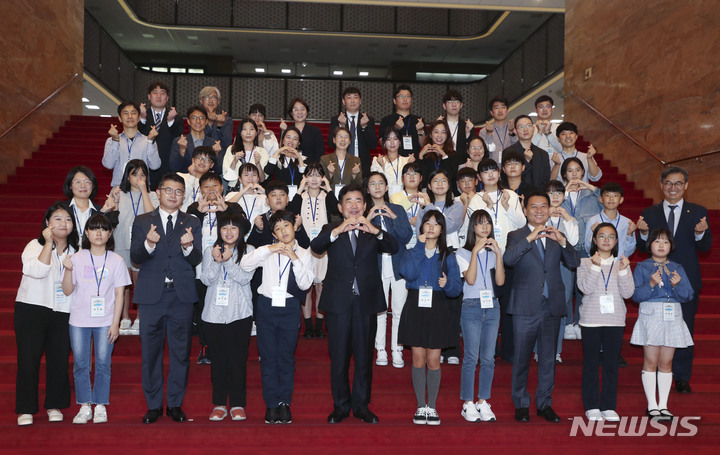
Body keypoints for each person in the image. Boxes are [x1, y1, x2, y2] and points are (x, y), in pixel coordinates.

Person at [310, 183, 399, 424]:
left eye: (358, 200)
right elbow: (316, 247)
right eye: (348, 201)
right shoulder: (331, 228)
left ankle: (361, 406)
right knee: (338, 358)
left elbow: (394, 246)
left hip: (365, 303)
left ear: (365, 205)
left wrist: (375, 230)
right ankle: (340, 406)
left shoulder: (372, 230)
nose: (353, 205)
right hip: (339, 304)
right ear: (340, 207)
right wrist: (337, 230)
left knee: (363, 359)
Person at [130, 173, 202, 424]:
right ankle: (153, 405)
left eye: (178, 191)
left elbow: (196, 259)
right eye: (168, 190)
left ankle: (174, 403)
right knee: (151, 352)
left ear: (184, 196)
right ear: (157, 193)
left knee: (180, 353)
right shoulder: (142, 221)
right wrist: (149, 244)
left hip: (180, 297)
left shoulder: (192, 221)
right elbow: (135, 257)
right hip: (151, 297)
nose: (173, 195)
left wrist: (188, 247)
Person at [503, 192, 580, 423]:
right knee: (522, 357)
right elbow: (508, 260)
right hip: (525, 306)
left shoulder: (557, 235)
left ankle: (545, 403)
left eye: (543, 207)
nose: (539, 211)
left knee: (548, 358)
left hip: (551, 306)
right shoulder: (516, 235)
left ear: (549, 210)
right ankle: (521, 403)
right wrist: (530, 239)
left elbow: (574, 262)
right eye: (533, 207)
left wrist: (563, 241)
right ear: (525, 210)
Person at [636, 167, 711, 393]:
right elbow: (642, 248)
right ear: (661, 185)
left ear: (686, 186)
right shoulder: (649, 213)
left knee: (684, 328)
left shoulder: (698, 212)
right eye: (668, 183)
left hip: (684, 280)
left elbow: (705, 247)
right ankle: (656, 370)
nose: (673, 188)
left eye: (678, 183)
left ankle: (681, 376)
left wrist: (700, 233)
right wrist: (640, 234)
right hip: (656, 282)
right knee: (656, 328)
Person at [241, 210, 314, 424]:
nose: (283, 231)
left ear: (294, 227)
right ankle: (271, 404)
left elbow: (305, 284)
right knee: (268, 359)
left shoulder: (304, 253)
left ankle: (285, 402)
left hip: (290, 308)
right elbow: (245, 265)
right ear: (273, 234)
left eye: (286, 226)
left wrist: (294, 258)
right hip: (266, 307)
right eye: (278, 228)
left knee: (286, 358)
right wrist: (269, 249)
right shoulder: (267, 251)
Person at [62, 214, 130, 424]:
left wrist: (115, 323)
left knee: (103, 363)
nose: (99, 233)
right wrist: (67, 269)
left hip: (105, 321)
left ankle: (100, 404)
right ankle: (84, 405)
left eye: (103, 229)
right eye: (94, 228)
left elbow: (120, 294)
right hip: (79, 320)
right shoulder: (76, 258)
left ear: (110, 233)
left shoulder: (116, 260)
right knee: (81, 364)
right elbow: (66, 291)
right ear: (86, 233)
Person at [14, 203, 79, 426]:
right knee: (28, 360)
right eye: (58, 219)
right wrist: (49, 243)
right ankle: (25, 409)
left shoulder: (76, 252)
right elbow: (37, 271)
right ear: (47, 223)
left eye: (68, 219)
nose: (64, 223)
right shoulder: (34, 245)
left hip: (63, 310)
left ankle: (55, 405)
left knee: (59, 360)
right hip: (32, 307)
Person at [398, 210, 463, 425]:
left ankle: (432, 407)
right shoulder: (412, 251)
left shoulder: (448, 255)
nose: (431, 227)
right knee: (417, 359)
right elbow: (407, 273)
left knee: (433, 360)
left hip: (438, 307)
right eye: (427, 223)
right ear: (422, 227)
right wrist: (418, 246)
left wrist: (449, 285)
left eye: (436, 223)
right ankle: (420, 406)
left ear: (442, 230)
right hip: (415, 305)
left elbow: (456, 288)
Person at [631, 228, 694, 421]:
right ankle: (652, 406)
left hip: (672, 314)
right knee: (651, 362)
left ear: (671, 246)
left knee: (666, 363)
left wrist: (677, 286)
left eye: (665, 242)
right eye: (657, 241)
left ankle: (663, 406)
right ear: (649, 245)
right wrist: (650, 284)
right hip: (650, 314)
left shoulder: (678, 267)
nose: (661, 245)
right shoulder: (642, 267)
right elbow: (635, 296)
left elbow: (688, 295)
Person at [187, 172, 248, 365]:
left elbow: (242, 230)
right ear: (200, 189)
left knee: (225, 305)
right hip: (201, 268)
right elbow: (186, 233)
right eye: (206, 186)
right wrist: (198, 211)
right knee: (203, 307)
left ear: (222, 188)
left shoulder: (234, 207)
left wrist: (223, 210)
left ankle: (226, 344)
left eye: (215, 186)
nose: (211, 190)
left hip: (229, 269)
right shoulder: (193, 209)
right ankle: (206, 345)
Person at [200, 211, 254, 422]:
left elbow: (244, 279)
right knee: (218, 362)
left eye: (234, 227)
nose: (229, 232)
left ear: (240, 231)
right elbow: (205, 279)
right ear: (218, 230)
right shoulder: (209, 250)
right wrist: (215, 261)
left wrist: (229, 261)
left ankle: (238, 404)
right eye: (225, 227)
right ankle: (220, 404)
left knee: (238, 361)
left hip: (240, 314)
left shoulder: (248, 251)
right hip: (213, 314)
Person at [576, 223, 634, 422]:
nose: (606, 240)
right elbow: (586, 288)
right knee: (591, 364)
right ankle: (591, 406)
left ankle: (608, 406)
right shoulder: (584, 262)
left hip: (615, 320)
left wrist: (625, 271)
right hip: (591, 320)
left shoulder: (622, 263)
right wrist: (595, 266)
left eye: (611, 236)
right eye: (602, 236)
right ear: (594, 240)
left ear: (616, 241)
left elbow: (628, 293)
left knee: (611, 365)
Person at [456, 209, 505, 422]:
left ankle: (483, 401)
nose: (485, 227)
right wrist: (475, 252)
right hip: (472, 306)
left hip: (492, 306)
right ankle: (467, 403)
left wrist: (498, 255)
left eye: (488, 223)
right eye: (480, 223)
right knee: (471, 357)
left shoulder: (494, 251)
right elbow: (471, 280)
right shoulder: (462, 252)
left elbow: (501, 282)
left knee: (488, 359)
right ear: (472, 227)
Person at [365, 172, 413, 368]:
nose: (377, 187)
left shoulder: (398, 209)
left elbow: (406, 236)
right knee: (380, 310)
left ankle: (397, 349)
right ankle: (381, 350)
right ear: (367, 189)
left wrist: (392, 217)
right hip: (375, 266)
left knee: (400, 310)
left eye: (381, 183)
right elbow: (361, 239)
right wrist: (368, 218)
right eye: (372, 184)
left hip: (397, 264)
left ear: (387, 188)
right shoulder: (365, 211)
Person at [106, 160, 159, 336]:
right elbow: (110, 217)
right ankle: (124, 317)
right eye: (134, 174)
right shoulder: (120, 193)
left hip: (141, 245)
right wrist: (112, 203)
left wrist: (144, 190)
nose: (138, 178)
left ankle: (140, 317)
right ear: (127, 176)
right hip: (121, 242)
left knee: (139, 282)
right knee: (123, 283)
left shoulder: (151, 195)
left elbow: (152, 215)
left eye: (142, 175)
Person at [288, 164, 339, 338]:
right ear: (305, 178)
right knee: (307, 287)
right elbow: (290, 212)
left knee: (321, 285)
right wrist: (299, 188)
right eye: (310, 175)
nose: (314, 179)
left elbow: (336, 209)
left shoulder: (326, 196)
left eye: (318, 175)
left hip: (323, 248)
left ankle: (319, 324)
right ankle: (308, 325)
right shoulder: (300, 197)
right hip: (304, 247)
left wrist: (329, 187)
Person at [561, 158, 603, 339]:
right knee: (565, 288)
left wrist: (591, 187)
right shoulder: (559, 194)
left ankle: (579, 322)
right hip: (564, 248)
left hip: (585, 249)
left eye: (578, 170)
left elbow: (608, 201)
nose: (575, 174)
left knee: (582, 289)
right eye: (570, 171)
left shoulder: (592, 196)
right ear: (564, 174)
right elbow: (548, 205)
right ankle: (567, 324)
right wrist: (563, 192)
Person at [544, 180, 579, 359]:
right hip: (543, 265)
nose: (555, 197)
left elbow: (573, 242)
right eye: (551, 193)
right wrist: (544, 216)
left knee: (561, 306)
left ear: (564, 196)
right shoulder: (540, 214)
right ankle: (538, 350)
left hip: (564, 266)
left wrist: (567, 217)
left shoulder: (569, 217)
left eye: (559, 193)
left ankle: (556, 350)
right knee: (541, 306)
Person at [467, 158, 525, 251]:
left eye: (493, 170)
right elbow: (476, 229)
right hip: (487, 251)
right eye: (485, 172)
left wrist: (507, 206)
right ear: (479, 176)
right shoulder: (475, 200)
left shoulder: (511, 195)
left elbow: (521, 224)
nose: (490, 175)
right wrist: (489, 207)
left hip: (511, 249)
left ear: (499, 173)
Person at [102, 101, 160, 188]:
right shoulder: (111, 141)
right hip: (119, 190)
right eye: (125, 113)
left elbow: (155, 166)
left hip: (142, 190)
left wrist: (150, 142)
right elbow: (108, 165)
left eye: (133, 113)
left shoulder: (148, 140)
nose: (130, 116)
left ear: (139, 117)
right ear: (120, 118)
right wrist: (115, 141)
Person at [139, 82, 183, 188]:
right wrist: (143, 119)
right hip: (145, 166)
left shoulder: (176, 118)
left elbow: (179, 140)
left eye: (162, 93)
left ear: (167, 98)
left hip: (167, 167)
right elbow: (136, 137)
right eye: (155, 93)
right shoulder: (141, 115)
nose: (159, 96)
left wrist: (170, 122)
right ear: (149, 96)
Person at [328, 87, 377, 176]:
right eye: (349, 97)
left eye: (355, 97)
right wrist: (341, 126)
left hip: (362, 165)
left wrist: (364, 127)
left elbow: (373, 145)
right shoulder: (336, 119)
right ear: (343, 101)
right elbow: (331, 144)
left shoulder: (367, 119)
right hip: (341, 163)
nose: (353, 100)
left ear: (360, 101)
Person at [584, 182, 637, 259]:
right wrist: (593, 234)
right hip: (598, 263)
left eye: (615, 195)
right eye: (607, 195)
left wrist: (630, 235)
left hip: (619, 264)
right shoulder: (593, 221)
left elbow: (629, 251)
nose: (611, 198)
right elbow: (588, 249)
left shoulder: (627, 222)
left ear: (621, 200)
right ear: (601, 199)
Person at [415, 168, 465, 251]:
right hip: (429, 251)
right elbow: (419, 233)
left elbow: (448, 226)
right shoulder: (423, 207)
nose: (440, 184)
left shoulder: (457, 206)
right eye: (435, 181)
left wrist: (429, 206)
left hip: (451, 251)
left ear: (449, 185)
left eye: (444, 181)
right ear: (429, 186)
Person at [500, 114, 550, 191]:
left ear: (533, 129)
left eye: (528, 126)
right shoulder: (508, 152)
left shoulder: (543, 154)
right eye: (521, 127)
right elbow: (505, 178)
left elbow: (546, 180)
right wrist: (526, 161)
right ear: (515, 131)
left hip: (537, 198)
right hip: (516, 197)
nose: (525, 130)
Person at [169, 106, 222, 175]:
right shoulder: (179, 141)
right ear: (188, 121)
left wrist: (216, 154)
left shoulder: (213, 143)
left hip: (205, 183)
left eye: (201, 118)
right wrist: (182, 150)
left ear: (206, 122)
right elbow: (174, 168)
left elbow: (219, 170)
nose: (198, 121)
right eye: (194, 118)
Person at [60, 166, 113, 234]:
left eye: (87, 182)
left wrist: (105, 213)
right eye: (78, 182)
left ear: (93, 185)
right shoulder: (61, 209)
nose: (83, 186)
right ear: (70, 185)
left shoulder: (102, 211)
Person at [379, 84, 426, 157]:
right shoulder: (386, 120)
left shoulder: (418, 120)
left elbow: (423, 144)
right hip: (395, 161)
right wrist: (395, 129)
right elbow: (383, 144)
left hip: (414, 161)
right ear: (394, 101)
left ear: (411, 99)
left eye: (407, 96)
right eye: (401, 96)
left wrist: (420, 131)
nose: (405, 99)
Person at [226, 163, 269, 238]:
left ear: (258, 178)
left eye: (254, 175)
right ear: (240, 179)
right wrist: (242, 192)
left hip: (259, 235)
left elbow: (278, 205)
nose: (250, 178)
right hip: (236, 235)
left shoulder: (264, 197)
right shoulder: (232, 195)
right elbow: (225, 208)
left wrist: (265, 191)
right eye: (246, 175)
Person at [223, 118, 268, 189]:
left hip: (254, 190)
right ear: (240, 132)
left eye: (252, 129)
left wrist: (258, 164)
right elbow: (226, 176)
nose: (248, 132)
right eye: (244, 129)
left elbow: (262, 179)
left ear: (256, 133)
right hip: (235, 190)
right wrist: (235, 160)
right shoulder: (231, 149)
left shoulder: (262, 152)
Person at [320, 126, 363, 197]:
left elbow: (359, 185)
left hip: (348, 197)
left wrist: (354, 175)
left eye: (346, 137)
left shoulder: (356, 160)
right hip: (330, 197)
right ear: (334, 140)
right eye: (340, 136)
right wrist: (330, 174)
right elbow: (321, 184)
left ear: (349, 141)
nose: (343, 140)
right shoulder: (325, 159)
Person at [280, 97, 325, 164]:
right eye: (296, 110)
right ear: (291, 113)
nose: (299, 112)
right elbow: (281, 150)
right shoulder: (287, 130)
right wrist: (283, 131)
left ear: (307, 112)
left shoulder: (315, 131)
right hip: (290, 169)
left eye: (302, 109)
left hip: (309, 170)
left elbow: (319, 155)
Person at [371, 126, 413, 196]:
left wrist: (410, 165)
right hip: (384, 198)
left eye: (395, 139)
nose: (392, 143)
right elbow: (375, 182)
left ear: (399, 142)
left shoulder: (407, 160)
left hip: (404, 199)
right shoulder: (377, 161)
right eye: (388, 139)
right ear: (384, 143)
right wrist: (382, 167)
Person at [389, 161, 423, 248]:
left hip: (422, 241)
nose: (412, 176)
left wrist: (420, 220)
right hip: (402, 241)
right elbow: (394, 218)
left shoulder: (426, 198)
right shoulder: (394, 197)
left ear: (421, 178)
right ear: (402, 179)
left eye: (415, 173)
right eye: (408, 174)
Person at [264, 126, 307, 193]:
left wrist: (298, 156)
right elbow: (268, 171)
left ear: (298, 143)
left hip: (298, 194)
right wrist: (278, 151)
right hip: (279, 195)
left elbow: (304, 176)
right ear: (283, 140)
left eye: (295, 139)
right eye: (288, 137)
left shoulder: (303, 159)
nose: (291, 141)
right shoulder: (276, 158)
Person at [418, 119, 460, 184]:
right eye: (436, 132)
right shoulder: (424, 154)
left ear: (447, 135)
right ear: (430, 135)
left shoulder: (453, 154)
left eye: (443, 132)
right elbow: (422, 178)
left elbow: (451, 176)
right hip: (427, 190)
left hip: (447, 190)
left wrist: (444, 155)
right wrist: (420, 157)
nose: (439, 135)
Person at [478, 96, 516, 163]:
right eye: (496, 108)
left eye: (503, 107)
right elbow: (483, 152)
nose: (500, 110)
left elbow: (518, 148)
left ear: (507, 111)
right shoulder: (484, 131)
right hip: (492, 169)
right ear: (491, 112)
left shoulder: (515, 129)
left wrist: (511, 133)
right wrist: (489, 134)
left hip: (511, 168)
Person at [177, 147, 217, 211]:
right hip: (181, 217)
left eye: (207, 159)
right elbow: (180, 199)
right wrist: (192, 176)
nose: (202, 161)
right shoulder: (180, 177)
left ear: (212, 165)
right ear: (193, 160)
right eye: (199, 158)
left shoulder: (211, 184)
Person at [438, 89, 474, 156]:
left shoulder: (467, 126)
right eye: (450, 102)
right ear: (444, 106)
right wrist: (436, 126)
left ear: (461, 105)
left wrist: (468, 134)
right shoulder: (439, 125)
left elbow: (471, 150)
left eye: (457, 101)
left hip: (461, 164)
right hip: (441, 162)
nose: (454, 105)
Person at [199, 85, 233, 153]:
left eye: (214, 98)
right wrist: (209, 123)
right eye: (207, 98)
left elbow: (227, 144)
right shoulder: (196, 119)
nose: (211, 101)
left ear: (218, 101)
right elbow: (199, 140)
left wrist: (219, 127)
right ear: (201, 101)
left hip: (220, 158)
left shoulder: (226, 120)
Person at [530, 95, 562, 164]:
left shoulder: (559, 128)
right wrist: (539, 132)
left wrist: (548, 133)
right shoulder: (530, 129)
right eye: (541, 107)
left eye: (548, 107)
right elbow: (529, 149)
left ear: (552, 109)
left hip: (556, 167)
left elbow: (562, 149)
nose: (544, 110)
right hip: (538, 167)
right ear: (536, 110)